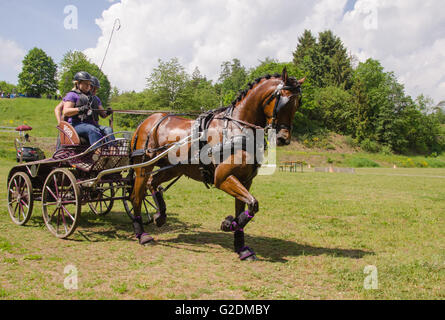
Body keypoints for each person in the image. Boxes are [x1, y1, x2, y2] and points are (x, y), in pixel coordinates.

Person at [62, 71, 110, 147]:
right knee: (92, 129)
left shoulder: (93, 97)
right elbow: (66, 111)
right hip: (76, 124)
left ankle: (112, 151)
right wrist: (80, 109)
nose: (88, 86)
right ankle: (97, 152)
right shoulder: (72, 95)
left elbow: (102, 114)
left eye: (89, 84)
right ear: (78, 83)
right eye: (85, 84)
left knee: (108, 130)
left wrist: (107, 112)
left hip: (91, 124)